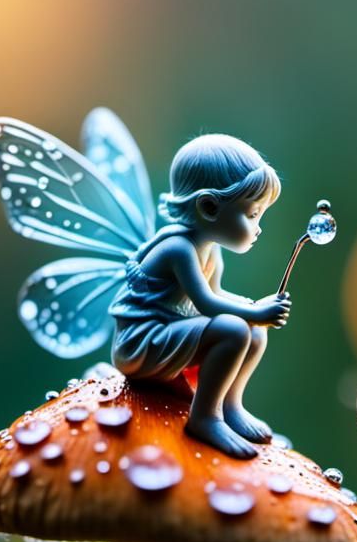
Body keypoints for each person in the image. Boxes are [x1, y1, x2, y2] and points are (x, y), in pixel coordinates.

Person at [110, 134, 291, 459]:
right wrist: (257, 312)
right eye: (252, 215)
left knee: (252, 328)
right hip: (143, 342)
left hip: (172, 328)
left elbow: (217, 294)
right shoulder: (178, 249)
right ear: (208, 207)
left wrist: (254, 311)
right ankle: (205, 417)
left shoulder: (210, 250)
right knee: (235, 328)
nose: (259, 227)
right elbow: (207, 304)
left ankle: (229, 405)